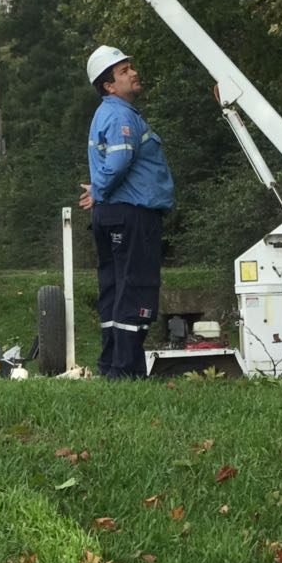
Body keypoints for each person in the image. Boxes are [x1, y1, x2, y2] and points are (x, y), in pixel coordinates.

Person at [78, 45, 175, 379]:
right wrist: (102, 189)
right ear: (108, 85)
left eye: (131, 67)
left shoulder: (106, 114)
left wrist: (99, 190)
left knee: (115, 288)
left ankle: (113, 367)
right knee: (137, 287)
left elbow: (111, 163)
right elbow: (119, 161)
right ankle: (125, 373)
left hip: (111, 213)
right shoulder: (121, 115)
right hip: (133, 214)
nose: (133, 73)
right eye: (124, 71)